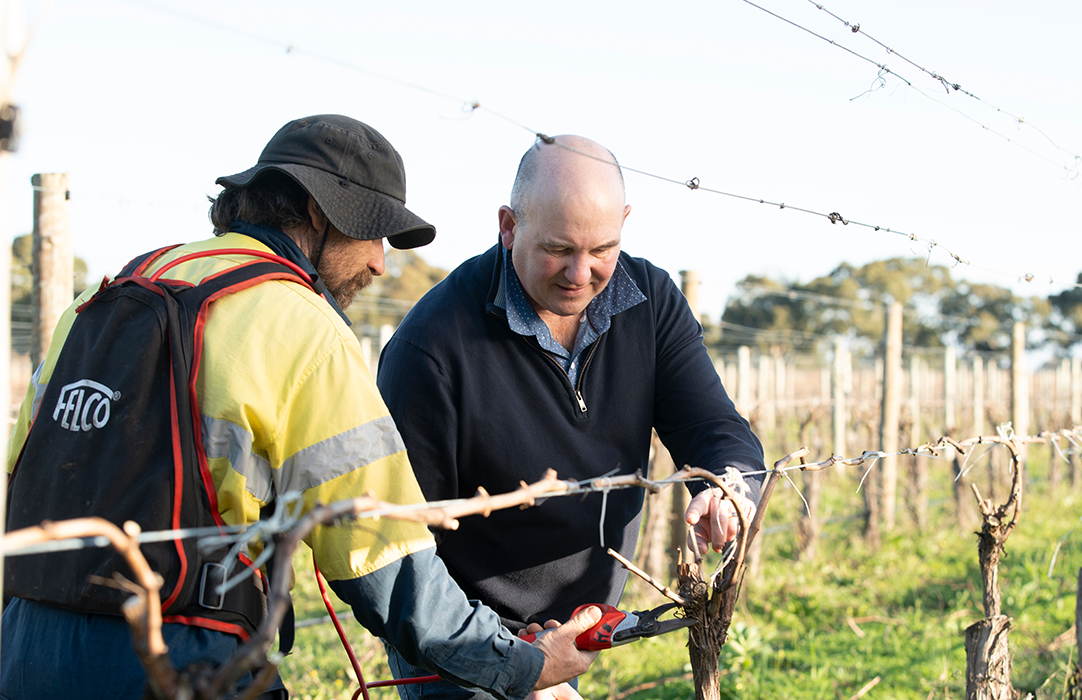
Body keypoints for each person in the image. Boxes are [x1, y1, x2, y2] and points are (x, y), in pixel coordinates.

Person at [1, 115, 599, 700]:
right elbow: (388, 560)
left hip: (24, 643)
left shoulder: (105, 295)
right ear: (317, 212)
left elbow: (20, 476)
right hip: (179, 658)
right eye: (374, 234)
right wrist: (518, 663)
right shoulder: (301, 324)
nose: (379, 262)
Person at [376, 135, 765, 699]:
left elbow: (713, 426)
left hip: (578, 634)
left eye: (602, 248)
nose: (581, 273)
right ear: (509, 226)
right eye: (558, 249)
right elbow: (404, 554)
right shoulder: (432, 348)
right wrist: (511, 660)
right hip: (462, 650)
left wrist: (729, 486)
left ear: (625, 222)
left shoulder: (650, 301)